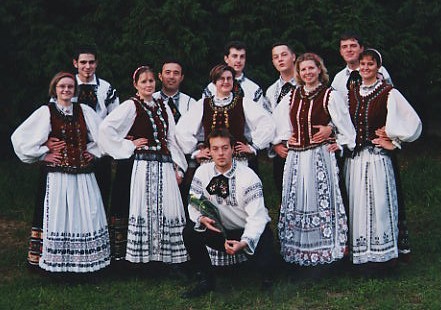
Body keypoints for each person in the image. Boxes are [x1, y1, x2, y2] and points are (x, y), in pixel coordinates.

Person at [11, 72, 110, 273]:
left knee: (86, 214)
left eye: (70, 87)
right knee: (59, 215)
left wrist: (94, 151)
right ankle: (58, 263)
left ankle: (85, 261)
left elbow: (104, 135)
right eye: (62, 86)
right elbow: (20, 138)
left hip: (84, 176)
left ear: (75, 90)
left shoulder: (84, 111)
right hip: (57, 176)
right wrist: (42, 152)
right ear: (54, 89)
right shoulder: (46, 112)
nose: (66, 90)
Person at [177, 64, 274, 267]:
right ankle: (216, 255)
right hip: (210, 166)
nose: (225, 82)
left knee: (243, 206)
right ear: (214, 82)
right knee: (213, 207)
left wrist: (254, 147)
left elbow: (267, 123)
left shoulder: (243, 102)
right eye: (221, 79)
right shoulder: (203, 104)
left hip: (238, 163)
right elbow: (182, 131)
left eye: (229, 78)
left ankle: (250, 252)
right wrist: (196, 151)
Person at [331, 32, 411, 260]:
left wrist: (391, 135)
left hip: (377, 151)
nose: (349, 50)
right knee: (356, 200)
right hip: (354, 151)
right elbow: (339, 113)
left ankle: (386, 250)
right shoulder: (340, 80)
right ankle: (358, 250)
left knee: (381, 199)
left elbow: (393, 109)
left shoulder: (383, 80)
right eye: (344, 46)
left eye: (353, 46)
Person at [272, 53, 356, 269]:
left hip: (319, 156)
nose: (308, 73)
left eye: (312, 68)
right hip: (297, 158)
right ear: (298, 73)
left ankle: (326, 251)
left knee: (321, 200)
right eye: (303, 70)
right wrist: (280, 140)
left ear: (320, 70)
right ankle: (298, 252)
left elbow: (345, 124)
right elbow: (276, 122)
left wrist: (339, 138)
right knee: (298, 199)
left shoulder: (329, 95)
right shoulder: (292, 96)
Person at [98, 66, 188, 265]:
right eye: (144, 82)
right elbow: (106, 129)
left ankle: (167, 258)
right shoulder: (131, 105)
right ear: (136, 85)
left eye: (150, 81)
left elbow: (171, 138)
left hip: (164, 166)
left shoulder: (162, 106)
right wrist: (129, 144)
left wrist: (178, 166)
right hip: (142, 167)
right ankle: (141, 260)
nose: (148, 85)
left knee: (168, 210)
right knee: (144, 210)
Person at [344, 49, 421, 270]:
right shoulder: (351, 92)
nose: (366, 68)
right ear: (358, 67)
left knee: (379, 204)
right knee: (358, 206)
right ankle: (361, 256)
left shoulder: (388, 92)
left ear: (378, 67)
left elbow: (411, 121)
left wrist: (393, 140)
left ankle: (384, 258)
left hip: (377, 159)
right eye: (363, 64)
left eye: (370, 64)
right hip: (355, 160)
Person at [182, 128, 276, 298]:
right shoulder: (202, 172)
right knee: (190, 231)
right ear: (208, 151)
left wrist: (244, 242)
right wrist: (201, 218)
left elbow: (257, 217)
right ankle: (206, 280)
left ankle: (267, 277)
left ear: (233, 149)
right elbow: (193, 202)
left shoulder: (248, 176)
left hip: (248, 231)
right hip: (220, 231)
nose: (220, 153)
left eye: (225, 148)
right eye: (215, 149)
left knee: (266, 265)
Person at [202, 41, 266, 174]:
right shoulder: (210, 89)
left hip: (242, 151)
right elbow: (204, 118)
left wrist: (253, 146)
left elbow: (263, 121)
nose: (238, 60)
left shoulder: (253, 89)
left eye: (242, 57)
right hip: (214, 154)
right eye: (234, 56)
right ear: (226, 58)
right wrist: (200, 147)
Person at [72, 44, 119, 210]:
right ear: (75, 63)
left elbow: (115, 120)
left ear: (96, 63)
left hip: (100, 149)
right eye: (83, 62)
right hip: (73, 148)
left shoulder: (106, 88)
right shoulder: (66, 86)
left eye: (91, 62)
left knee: (100, 192)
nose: (87, 66)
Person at [153, 59, 198, 218]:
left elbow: (197, 132)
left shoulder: (190, 103)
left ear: (182, 77)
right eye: (167, 72)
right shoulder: (151, 100)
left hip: (185, 157)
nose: (171, 77)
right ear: (160, 76)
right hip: (158, 156)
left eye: (176, 73)